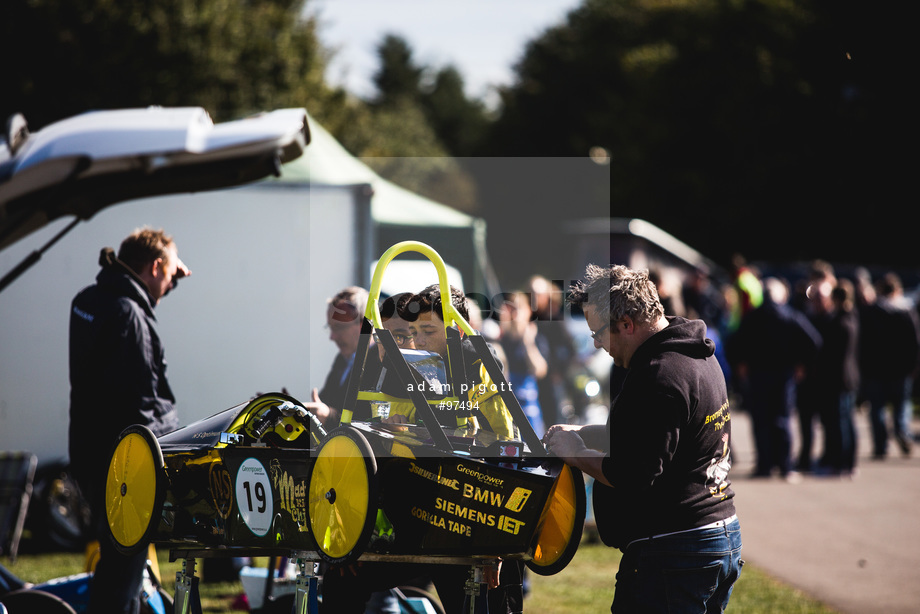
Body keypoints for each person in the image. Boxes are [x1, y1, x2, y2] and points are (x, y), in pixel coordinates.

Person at [543, 264, 742, 614]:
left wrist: (576, 454)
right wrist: (584, 434)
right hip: (711, 536)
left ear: (625, 325)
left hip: (675, 549)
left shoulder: (660, 374)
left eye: (598, 333)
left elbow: (634, 473)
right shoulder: (693, 354)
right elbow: (657, 437)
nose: (596, 344)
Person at [68, 227, 189, 614]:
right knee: (123, 572)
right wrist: (178, 445)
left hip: (91, 453)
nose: (172, 281)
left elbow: (112, 384)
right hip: (126, 463)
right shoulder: (129, 315)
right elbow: (140, 404)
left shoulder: (88, 300)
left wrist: (172, 276)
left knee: (119, 563)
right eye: (170, 273)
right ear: (155, 266)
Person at [728, 277, 821, 480]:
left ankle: (764, 466)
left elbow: (734, 343)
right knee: (783, 420)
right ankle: (785, 465)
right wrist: (802, 365)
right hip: (783, 376)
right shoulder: (790, 316)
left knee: (761, 421)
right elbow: (814, 341)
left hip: (758, 376)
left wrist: (741, 365)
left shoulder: (752, 317)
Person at [860, 272, 920, 459]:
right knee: (901, 405)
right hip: (901, 369)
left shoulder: (872, 313)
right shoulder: (906, 312)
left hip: (876, 369)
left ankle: (880, 445)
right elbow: (915, 342)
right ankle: (901, 430)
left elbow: (864, 342)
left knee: (877, 408)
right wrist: (914, 365)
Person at [305, 286, 381, 428]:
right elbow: (325, 404)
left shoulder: (381, 362)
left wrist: (329, 417)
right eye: (331, 328)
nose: (332, 337)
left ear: (364, 324)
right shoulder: (343, 360)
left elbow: (374, 423)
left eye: (339, 327)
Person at [498, 291, 548, 435]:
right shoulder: (502, 339)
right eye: (511, 308)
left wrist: (527, 343)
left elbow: (540, 370)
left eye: (518, 308)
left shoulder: (536, 338)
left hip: (529, 410)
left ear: (528, 311)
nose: (514, 314)